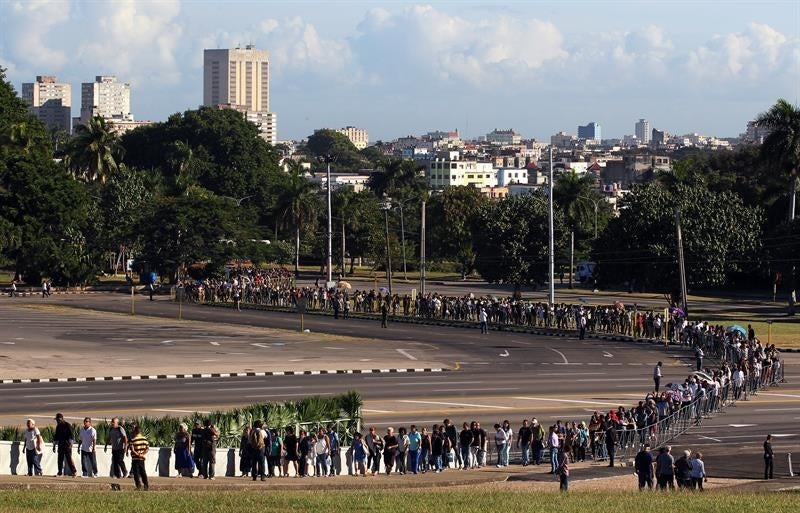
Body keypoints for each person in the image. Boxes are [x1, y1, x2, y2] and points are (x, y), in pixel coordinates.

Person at [53, 413, 77, 477]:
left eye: (58, 420)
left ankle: (74, 472)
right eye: (57, 420)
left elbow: (72, 436)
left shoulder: (67, 425)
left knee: (69, 459)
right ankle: (60, 473)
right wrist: (54, 446)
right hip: (60, 444)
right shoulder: (58, 426)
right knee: (60, 459)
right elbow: (56, 436)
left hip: (67, 445)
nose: (57, 421)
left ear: (61, 419)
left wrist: (71, 444)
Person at [128, 424, 149, 491]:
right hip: (141, 459)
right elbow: (147, 448)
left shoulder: (133, 440)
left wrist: (138, 455)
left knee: (136, 473)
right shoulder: (144, 439)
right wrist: (142, 455)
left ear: (135, 431)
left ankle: (138, 485)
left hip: (135, 458)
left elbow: (132, 449)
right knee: (143, 472)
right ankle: (146, 485)